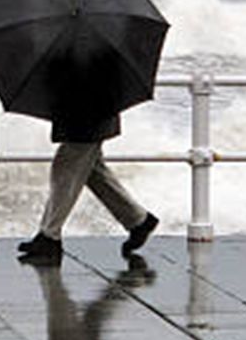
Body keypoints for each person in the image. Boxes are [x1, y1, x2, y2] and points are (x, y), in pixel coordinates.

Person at [17, 111, 158, 262]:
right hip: (90, 113)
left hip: (88, 113)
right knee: (93, 171)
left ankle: (49, 236)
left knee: (66, 167)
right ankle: (138, 220)